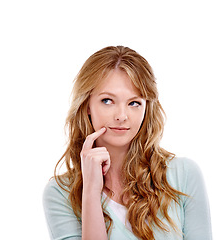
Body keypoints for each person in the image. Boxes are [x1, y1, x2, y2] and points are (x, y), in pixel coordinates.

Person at [43, 46, 212, 240]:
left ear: (146, 108)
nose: (122, 116)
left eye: (134, 103)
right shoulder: (60, 193)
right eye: (107, 101)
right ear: (87, 105)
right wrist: (90, 191)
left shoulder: (184, 174)